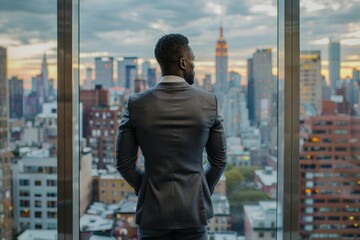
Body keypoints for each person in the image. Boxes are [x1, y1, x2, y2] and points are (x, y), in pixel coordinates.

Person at [116, 33, 227, 240]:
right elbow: (219, 161)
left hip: (152, 216)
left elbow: (124, 164)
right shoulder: (209, 102)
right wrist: (199, 190)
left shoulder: (136, 104)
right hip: (193, 215)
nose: (194, 64)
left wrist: (148, 189)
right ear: (183, 62)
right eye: (192, 59)